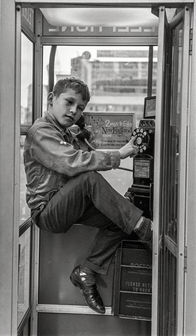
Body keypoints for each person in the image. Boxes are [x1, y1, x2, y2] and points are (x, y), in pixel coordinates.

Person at [24, 77, 152, 315]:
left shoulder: (64, 133)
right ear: (52, 99)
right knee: (89, 179)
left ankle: (87, 271)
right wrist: (121, 153)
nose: (74, 111)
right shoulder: (41, 132)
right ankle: (144, 228)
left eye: (80, 107)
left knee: (119, 217)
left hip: (70, 205)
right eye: (69, 102)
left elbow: (81, 156)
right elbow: (74, 164)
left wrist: (81, 136)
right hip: (47, 212)